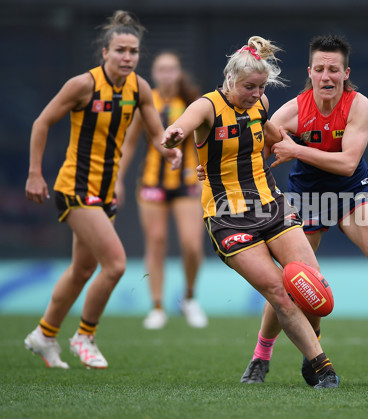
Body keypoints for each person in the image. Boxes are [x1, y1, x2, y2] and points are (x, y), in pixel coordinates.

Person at [241, 34, 368, 385]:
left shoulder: (359, 105)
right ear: (310, 72)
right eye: (320, 69)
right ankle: (260, 357)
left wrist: (296, 150)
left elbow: (348, 163)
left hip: (352, 193)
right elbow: (257, 144)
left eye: (334, 69)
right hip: (306, 197)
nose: (327, 76)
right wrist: (220, 166)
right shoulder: (293, 110)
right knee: (290, 281)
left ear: (346, 73)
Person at [162, 36, 339, 388]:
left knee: (309, 286)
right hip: (228, 216)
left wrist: (297, 149)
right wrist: (174, 137)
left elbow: (272, 136)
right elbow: (181, 125)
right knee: (278, 290)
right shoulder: (207, 107)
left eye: (261, 87)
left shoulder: (260, 105)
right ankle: (322, 367)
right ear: (230, 80)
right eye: (249, 87)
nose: (256, 94)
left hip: (271, 205)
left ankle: (282, 351)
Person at [24, 10, 182, 369]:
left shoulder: (139, 88)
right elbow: (41, 122)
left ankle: (44, 335)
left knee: (82, 270)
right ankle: (84, 336)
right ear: (105, 53)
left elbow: (157, 134)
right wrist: (35, 174)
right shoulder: (82, 85)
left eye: (134, 51)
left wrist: (170, 151)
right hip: (75, 188)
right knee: (116, 264)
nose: (128, 57)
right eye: (121, 50)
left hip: (106, 192)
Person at [117, 51, 207, 330]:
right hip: (152, 183)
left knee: (192, 244)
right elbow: (130, 142)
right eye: (161, 69)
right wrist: (117, 179)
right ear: (154, 74)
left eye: (172, 69)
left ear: (179, 72)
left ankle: (189, 298)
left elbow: (208, 139)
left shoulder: (193, 101)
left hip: (188, 182)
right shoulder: (146, 101)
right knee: (155, 242)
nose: (167, 74)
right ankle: (156, 306)